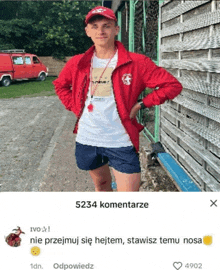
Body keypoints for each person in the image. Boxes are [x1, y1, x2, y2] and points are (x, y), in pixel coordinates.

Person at [53, 6, 182, 192]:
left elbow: (172, 85)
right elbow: (60, 85)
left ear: (116, 29)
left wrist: (141, 104)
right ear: (87, 31)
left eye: (106, 25)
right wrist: (75, 107)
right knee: (102, 186)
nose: (101, 31)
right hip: (88, 139)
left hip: (121, 141)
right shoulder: (77, 63)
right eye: (95, 26)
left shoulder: (137, 62)